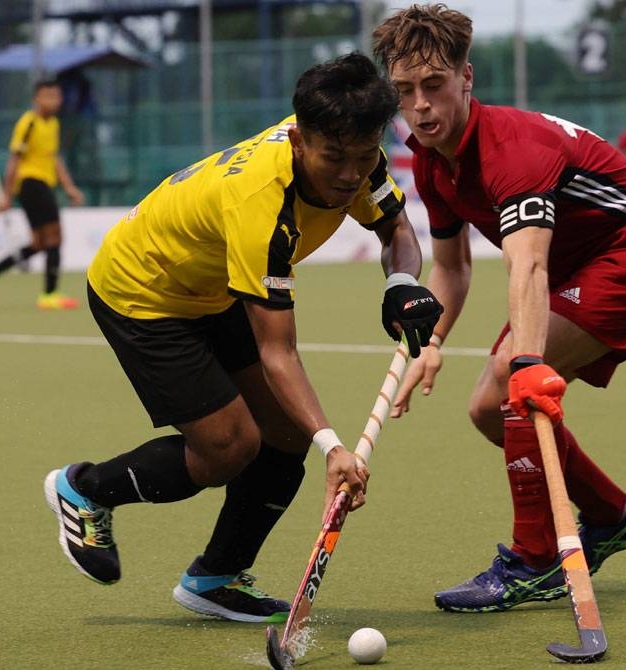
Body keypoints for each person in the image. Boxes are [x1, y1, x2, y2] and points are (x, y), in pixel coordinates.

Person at [42, 53, 442, 623]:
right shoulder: (263, 202)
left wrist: (401, 284)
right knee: (228, 446)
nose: (351, 175)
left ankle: (215, 577)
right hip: (143, 290)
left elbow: (396, 227)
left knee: (283, 431)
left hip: (215, 285)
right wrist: (335, 446)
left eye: (361, 157)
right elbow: (279, 351)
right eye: (335, 158)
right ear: (300, 140)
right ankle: (86, 488)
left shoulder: (358, 152)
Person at [372, 4, 626, 613]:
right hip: (581, 262)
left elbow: (527, 265)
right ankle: (612, 515)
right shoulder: (429, 159)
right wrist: (430, 341)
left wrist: (525, 364)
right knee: (486, 409)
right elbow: (451, 267)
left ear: (466, 77)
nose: (419, 107)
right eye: (405, 92)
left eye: (434, 86)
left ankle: (536, 560)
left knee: (509, 380)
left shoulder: (512, 151)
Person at [0, 79, 85, 310]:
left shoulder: (53, 123)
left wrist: (69, 186)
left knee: (39, 243)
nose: (53, 101)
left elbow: (54, 159)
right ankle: (49, 295)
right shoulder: (28, 123)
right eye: (47, 96)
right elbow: (15, 160)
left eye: (56, 96)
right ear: (36, 99)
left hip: (44, 184)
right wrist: (6, 194)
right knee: (55, 238)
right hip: (31, 184)